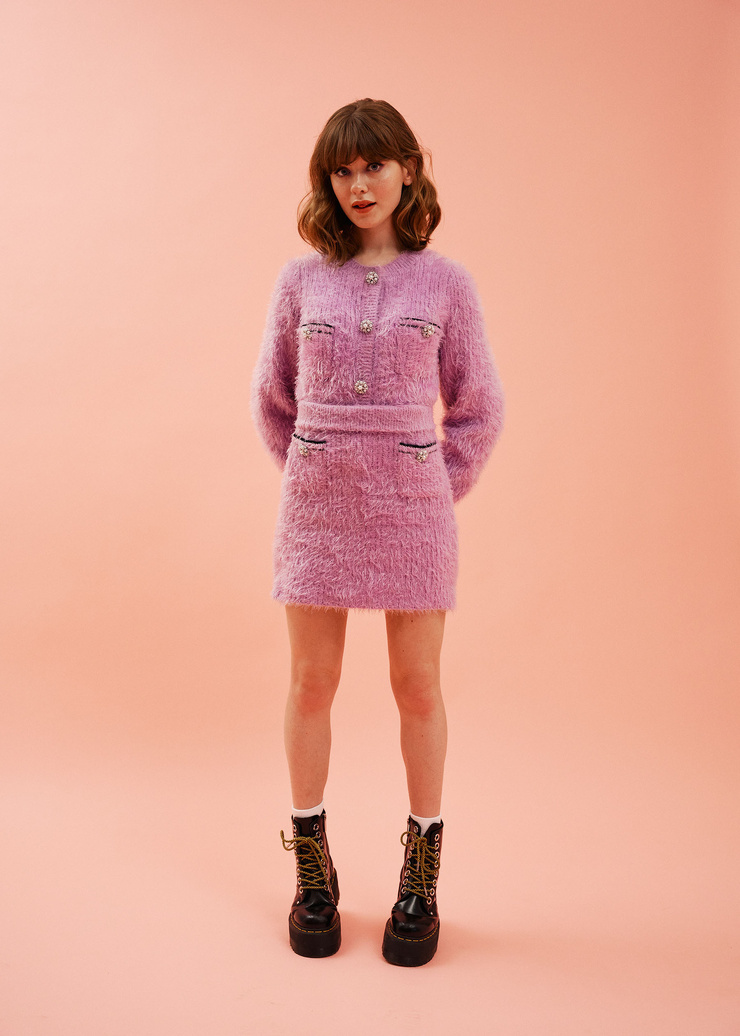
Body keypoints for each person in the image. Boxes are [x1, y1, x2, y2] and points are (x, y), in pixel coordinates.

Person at [250, 98, 505, 966]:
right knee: (311, 682)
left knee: (418, 688)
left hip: (413, 515)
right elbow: (272, 401)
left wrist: (427, 483)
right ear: (328, 182)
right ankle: (311, 867)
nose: (359, 185)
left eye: (374, 166)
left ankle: (421, 871)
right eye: (342, 170)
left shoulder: (447, 284)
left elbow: (480, 408)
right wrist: (315, 468)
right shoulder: (300, 281)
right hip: (317, 513)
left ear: (407, 170)